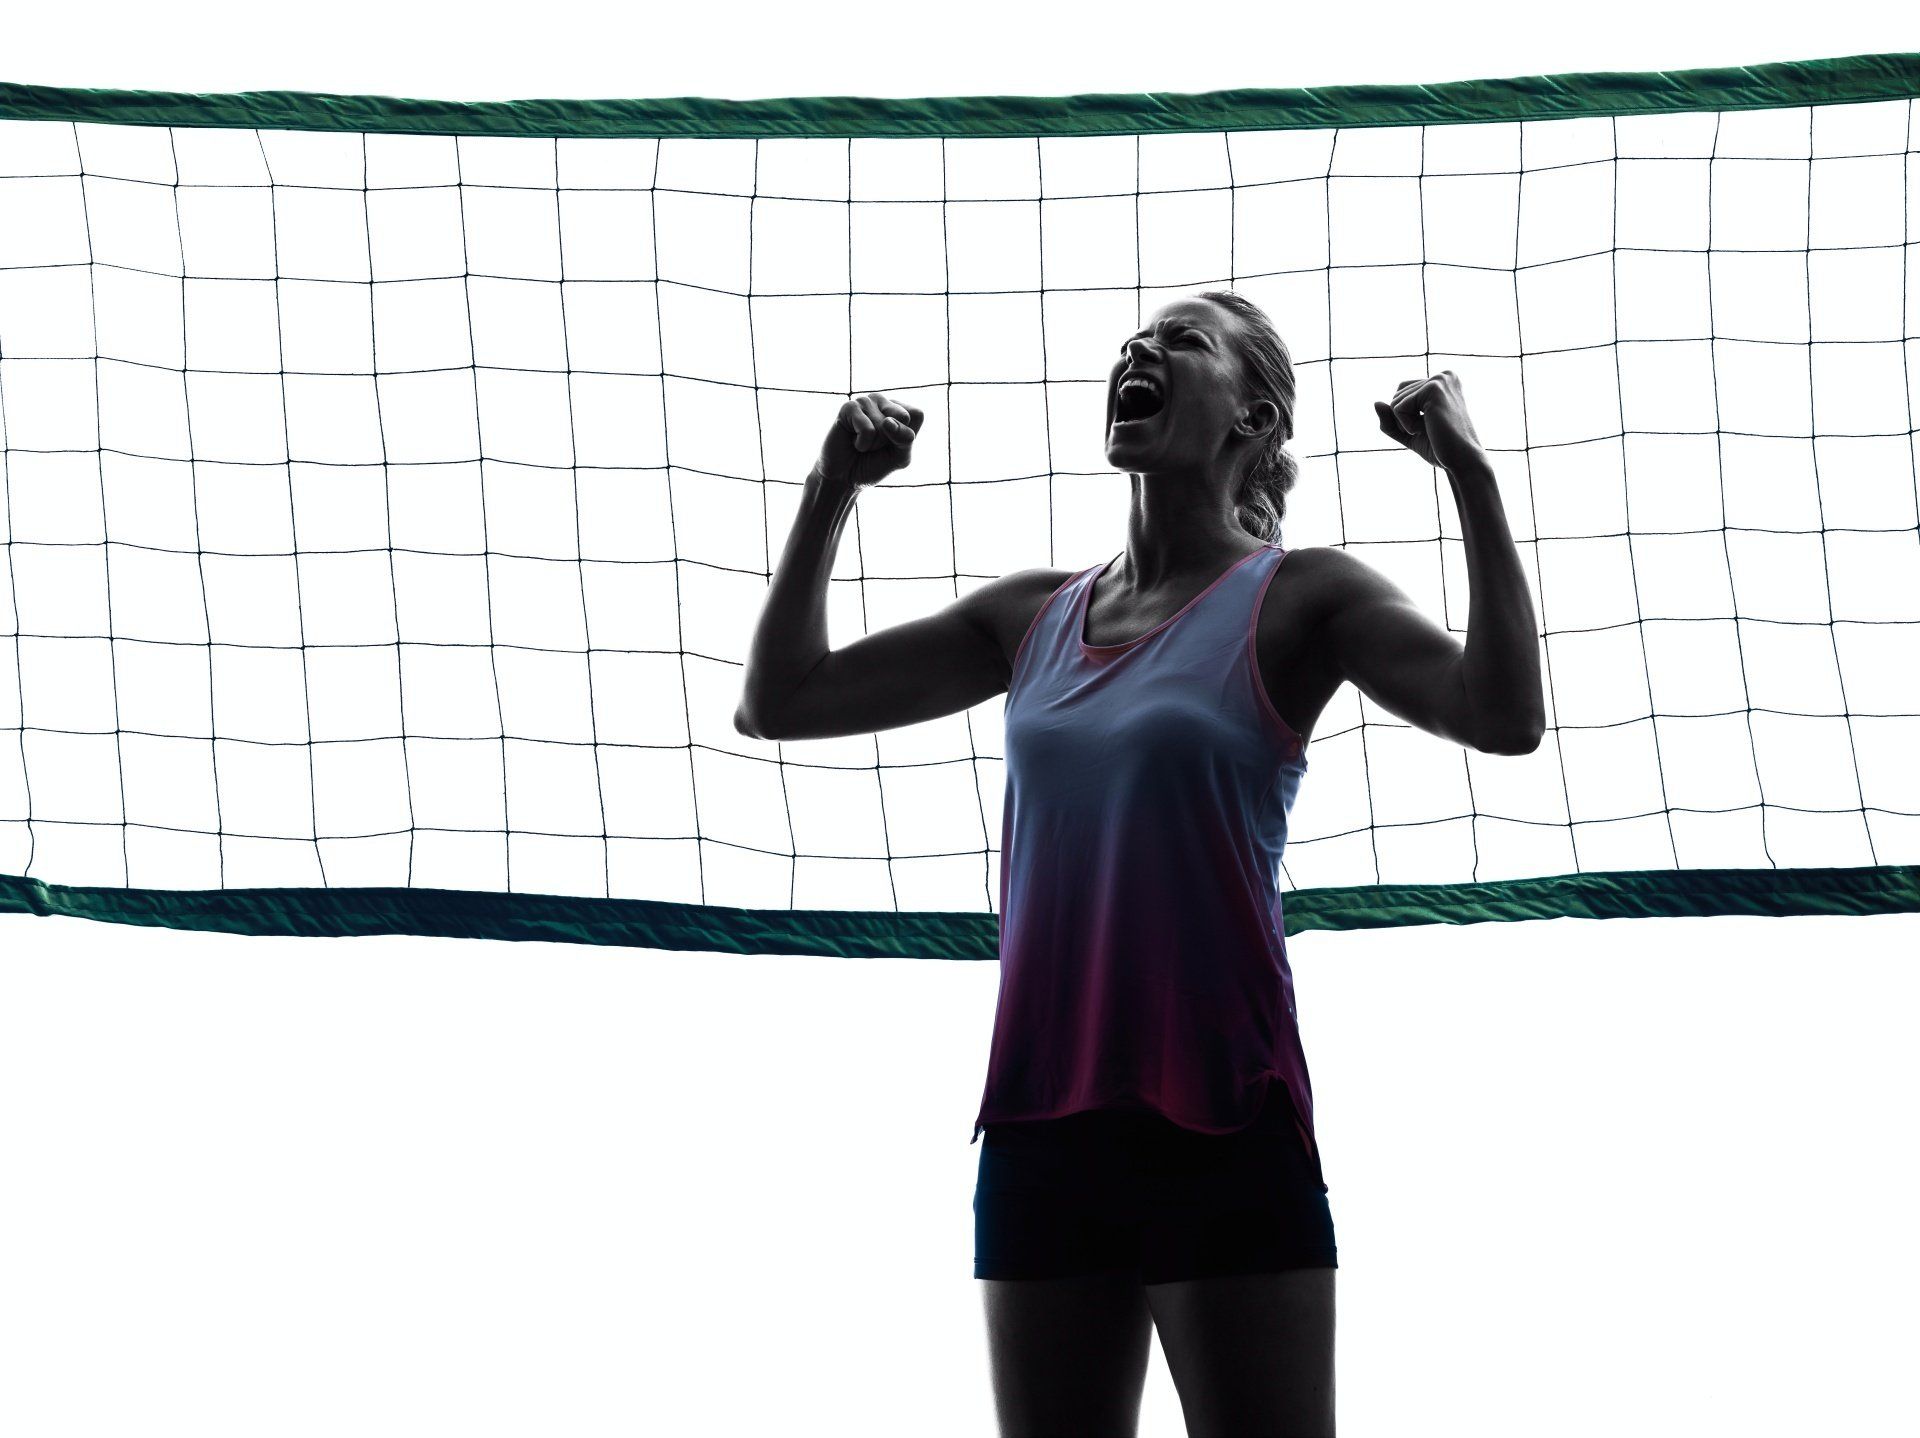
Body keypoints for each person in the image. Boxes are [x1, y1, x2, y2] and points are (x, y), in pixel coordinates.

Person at [734, 290, 1545, 1437]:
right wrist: (832, 488)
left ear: (1251, 419)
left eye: (1181, 339)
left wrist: (1466, 466)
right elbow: (781, 701)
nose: (1140, 350)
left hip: (1220, 1112)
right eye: (1134, 339)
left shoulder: (1306, 595)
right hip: (1042, 1123)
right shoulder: (1035, 615)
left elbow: (1504, 715)